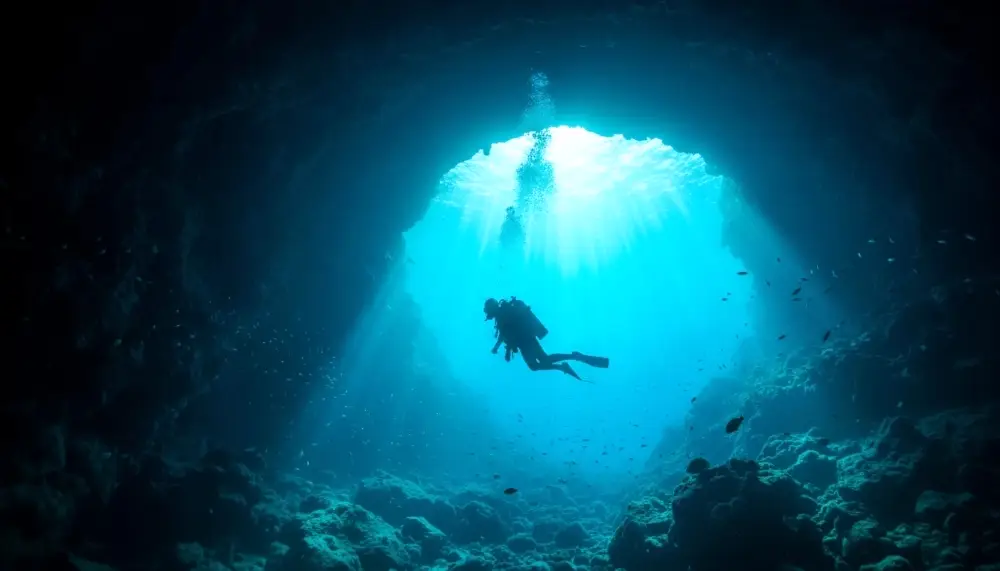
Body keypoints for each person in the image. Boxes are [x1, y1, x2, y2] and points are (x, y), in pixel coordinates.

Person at [483, 297, 610, 381]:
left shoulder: (502, 315)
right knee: (540, 362)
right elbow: (506, 334)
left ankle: (570, 360)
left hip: (526, 341)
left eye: (487, 310)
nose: (487, 313)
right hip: (525, 341)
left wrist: (498, 348)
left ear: (491, 308)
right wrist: (499, 348)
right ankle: (566, 363)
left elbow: (505, 334)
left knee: (540, 363)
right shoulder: (502, 315)